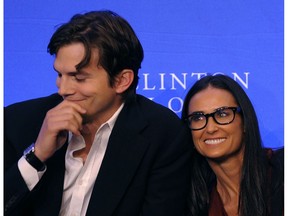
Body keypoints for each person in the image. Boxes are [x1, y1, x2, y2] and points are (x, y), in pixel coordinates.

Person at [4, 10, 193, 216]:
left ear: (122, 80)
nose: (63, 89)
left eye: (79, 77)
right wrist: (36, 156)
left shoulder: (163, 134)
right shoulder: (17, 121)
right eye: (60, 74)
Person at [181, 74, 284, 216]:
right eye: (198, 117)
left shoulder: (282, 172)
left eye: (222, 114)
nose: (210, 129)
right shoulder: (195, 204)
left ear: (245, 123)